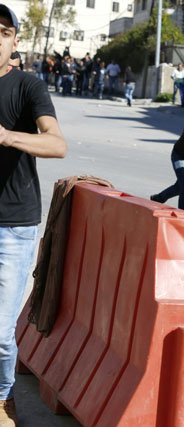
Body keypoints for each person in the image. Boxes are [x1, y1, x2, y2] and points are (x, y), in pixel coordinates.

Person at [0, 5, 67, 425]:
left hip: (13, 225)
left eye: (2, 32)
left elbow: (57, 144)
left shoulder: (27, 86)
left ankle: (3, 398)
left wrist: (6, 136)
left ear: (14, 41)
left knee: (0, 333)